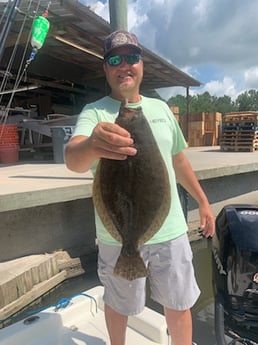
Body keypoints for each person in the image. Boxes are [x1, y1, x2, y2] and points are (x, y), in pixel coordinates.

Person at [65, 30, 215, 345]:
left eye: (131, 57)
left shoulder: (160, 110)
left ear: (141, 64)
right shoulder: (94, 113)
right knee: (119, 304)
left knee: (179, 303)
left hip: (170, 229)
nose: (125, 65)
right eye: (115, 59)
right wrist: (94, 143)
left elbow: (179, 162)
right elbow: (73, 160)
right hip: (117, 236)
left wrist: (203, 202)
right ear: (106, 69)